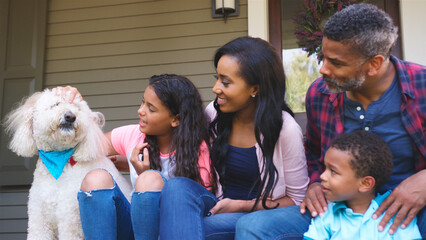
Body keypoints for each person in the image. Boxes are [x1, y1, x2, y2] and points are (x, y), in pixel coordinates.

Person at [235, 3, 426, 239]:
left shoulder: (422, 85)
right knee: (252, 227)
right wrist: (316, 183)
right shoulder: (319, 94)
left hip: (413, 208)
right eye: (323, 57)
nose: (323, 69)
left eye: (336, 62)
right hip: (338, 209)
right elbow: (314, 153)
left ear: (374, 64)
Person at [156, 36, 309, 240]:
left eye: (226, 82)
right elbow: (176, 134)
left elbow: (297, 199)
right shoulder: (215, 114)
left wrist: (240, 205)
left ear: (255, 88)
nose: (216, 88)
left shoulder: (285, 129)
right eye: (217, 78)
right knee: (177, 187)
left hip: (265, 215)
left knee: (202, 228)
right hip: (220, 204)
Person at [56, 74, 217, 240]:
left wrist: (145, 175)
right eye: (143, 102)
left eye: (151, 109)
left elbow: (199, 203)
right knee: (96, 178)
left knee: (149, 179)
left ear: (176, 119)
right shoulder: (132, 135)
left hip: (175, 229)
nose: (140, 111)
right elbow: (84, 147)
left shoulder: (198, 148)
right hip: (137, 228)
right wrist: (73, 103)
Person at [303, 131, 421, 239]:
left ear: (365, 183)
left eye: (333, 171)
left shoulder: (396, 215)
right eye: (325, 168)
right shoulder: (326, 215)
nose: (322, 176)